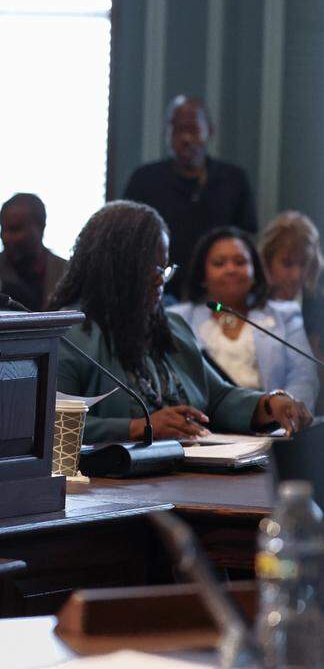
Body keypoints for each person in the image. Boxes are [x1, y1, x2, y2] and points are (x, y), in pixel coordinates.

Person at [52, 201, 311, 444]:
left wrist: (268, 405)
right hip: (113, 485)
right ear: (117, 267)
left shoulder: (171, 326)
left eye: (163, 268)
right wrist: (139, 427)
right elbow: (54, 426)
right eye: (151, 268)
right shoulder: (71, 334)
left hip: (189, 470)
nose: (160, 280)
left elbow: (217, 397)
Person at [123, 95, 258, 296]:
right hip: (157, 293)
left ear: (209, 131)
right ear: (167, 134)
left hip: (217, 297)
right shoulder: (144, 180)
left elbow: (245, 240)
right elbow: (127, 242)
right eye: (178, 130)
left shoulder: (233, 180)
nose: (186, 138)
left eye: (193, 130)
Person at [169, 227, 318, 406]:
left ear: (254, 271)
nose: (231, 269)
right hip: (204, 424)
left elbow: (303, 377)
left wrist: (285, 410)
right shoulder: (178, 318)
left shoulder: (285, 315)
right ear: (203, 275)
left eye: (240, 262)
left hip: (273, 425)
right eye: (219, 263)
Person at [259, 211, 324, 358]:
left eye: (303, 264)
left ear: (313, 264)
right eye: (287, 263)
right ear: (267, 261)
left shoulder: (319, 307)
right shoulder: (249, 302)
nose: (296, 275)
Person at [0, 193, 67, 312]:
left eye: (14, 229)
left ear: (40, 227)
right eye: (2, 228)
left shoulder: (66, 273)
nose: (4, 237)